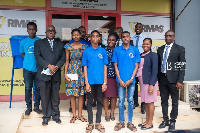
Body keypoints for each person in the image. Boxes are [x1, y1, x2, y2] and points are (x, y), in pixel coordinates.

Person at [34, 25, 66, 125]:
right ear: (46, 32)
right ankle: (46, 116)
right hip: (44, 74)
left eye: (52, 30)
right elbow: (37, 57)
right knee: (44, 96)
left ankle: (56, 116)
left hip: (56, 74)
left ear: (55, 33)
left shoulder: (60, 44)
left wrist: (56, 66)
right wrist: (48, 66)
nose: (51, 32)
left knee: (55, 96)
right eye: (49, 30)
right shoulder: (39, 43)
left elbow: (63, 57)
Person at [157, 30, 186, 131]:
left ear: (174, 37)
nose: (167, 38)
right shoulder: (160, 49)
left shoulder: (179, 49)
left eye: (170, 36)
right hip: (162, 78)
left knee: (174, 102)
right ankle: (165, 120)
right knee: (164, 101)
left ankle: (173, 120)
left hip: (174, 80)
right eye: (166, 36)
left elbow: (182, 66)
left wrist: (180, 80)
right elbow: (158, 64)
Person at [112, 31, 140, 132]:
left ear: (129, 38)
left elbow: (137, 66)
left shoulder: (135, 50)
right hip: (120, 80)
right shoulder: (117, 50)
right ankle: (121, 122)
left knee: (130, 101)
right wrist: (119, 79)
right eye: (123, 37)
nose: (125, 38)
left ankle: (130, 121)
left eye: (127, 37)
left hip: (131, 81)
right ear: (121, 38)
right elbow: (115, 65)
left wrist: (131, 79)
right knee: (121, 102)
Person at [82, 30, 108, 133]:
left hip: (101, 81)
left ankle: (98, 122)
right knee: (89, 102)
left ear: (100, 38)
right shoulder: (87, 51)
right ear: (90, 38)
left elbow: (105, 67)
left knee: (100, 102)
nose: (95, 38)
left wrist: (105, 82)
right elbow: (85, 67)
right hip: (90, 81)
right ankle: (90, 123)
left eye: (97, 36)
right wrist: (86, 83)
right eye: (93, 36)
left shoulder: (103, 51)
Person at [64, 29, 87, 123]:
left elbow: (86, 61)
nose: (76, 36)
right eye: (74, 35)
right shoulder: (68, 47)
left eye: (78, 35)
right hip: (72, 70)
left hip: (81, 70)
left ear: (80, 35)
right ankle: (74, 115)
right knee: (73, 94)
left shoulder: (85, 47)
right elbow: (67, 61)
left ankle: (80, 115)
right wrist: (65, 74)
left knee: (81, 93)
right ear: (72, 36)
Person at [20, 22, 42, 116]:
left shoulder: (40, 41)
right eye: (30, 29)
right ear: (27, 30)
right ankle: (29, 107)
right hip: (27, 69)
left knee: (38, 88)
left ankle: (36, 106)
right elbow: (22, 53)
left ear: (36, 30)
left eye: (33, 29)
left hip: (38, 70)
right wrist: (28, 61)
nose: (32, 31)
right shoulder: (23, 42)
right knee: (28, 88)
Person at [136, 38, 158, 130]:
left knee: (150, 102)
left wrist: (151, 85)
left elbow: (155, 71)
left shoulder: (153, 55)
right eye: (144, 44)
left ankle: (150, 123)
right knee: (146, 102)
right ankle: (146, 120)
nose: (145, 45)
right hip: (142, 81)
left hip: (149, 82)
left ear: (151, 45)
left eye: (147, 44)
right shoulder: (141, 55)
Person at [131, 22, 147, 114]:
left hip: (142, 60)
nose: (138, 28)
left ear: (142, 28)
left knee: (142, 84)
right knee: (134, 83)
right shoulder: (132, 38)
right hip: (133, 62)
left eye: (139, 27)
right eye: (136, 27)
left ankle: (143, 104)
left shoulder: (145, 38)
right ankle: (135, 102)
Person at [103, 33, 118, 121]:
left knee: (113, 96)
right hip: (105, 76)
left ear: (116, 41)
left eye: (113, 40)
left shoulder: (117, 50)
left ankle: (112, 112)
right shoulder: (103, 50)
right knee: (105, 95)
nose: (110, 42)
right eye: (109, 39)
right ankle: (106, 113)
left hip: (115, 76)